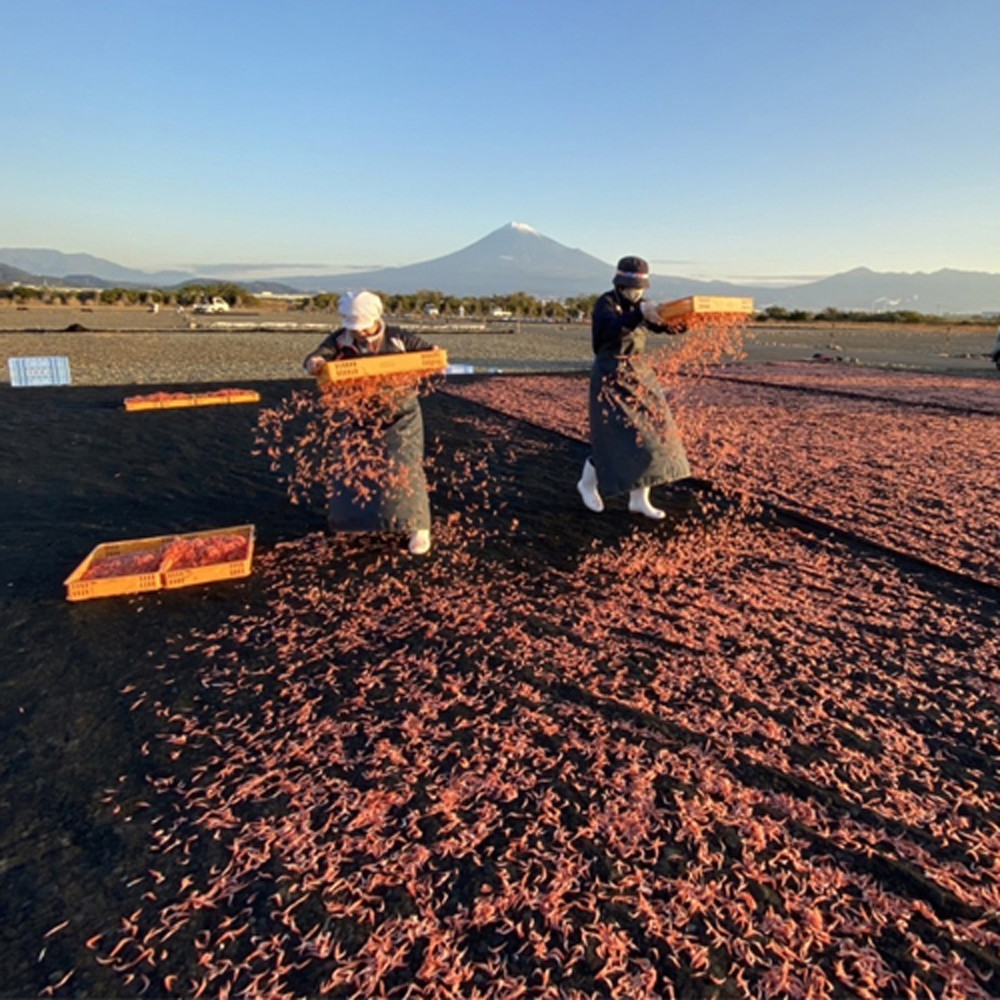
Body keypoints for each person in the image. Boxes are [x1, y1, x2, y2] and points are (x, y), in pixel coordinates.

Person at [303, 290, 435, 555]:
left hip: (400, 413)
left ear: (377, 319)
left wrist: (434, 357)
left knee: (404, 465)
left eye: (363, 327)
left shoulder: (398, 338)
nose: (359, 333)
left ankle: (417, 527)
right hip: (358, 412)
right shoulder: (341, 339)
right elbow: (314, 358)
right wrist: (316, 363)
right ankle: (354, 522)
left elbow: (429, 353)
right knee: (352, 465)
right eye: (355, 328)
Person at [577, 256, 691, 520]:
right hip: (610, 374)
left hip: (638, 373)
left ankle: (640, 500)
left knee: (652, 433)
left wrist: (685, 320)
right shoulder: (606, 304)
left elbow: (663, 326)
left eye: (639, 288)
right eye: (630, 287)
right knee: (614, 437)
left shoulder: (641, 306)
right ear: (619, 284)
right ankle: (587, 484)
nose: (635, 292)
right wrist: (638, 314)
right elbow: (610, 330)